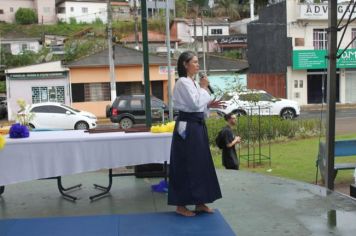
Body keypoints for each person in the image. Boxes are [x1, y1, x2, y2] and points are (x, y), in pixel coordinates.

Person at [168, 51, 224, 217]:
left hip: (197, 125)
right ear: (185, 64)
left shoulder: (192, 83)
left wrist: (208, 104)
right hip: (187, 127)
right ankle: (181, 204)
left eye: (198, 62)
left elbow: (199, 106)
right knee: (185, 164)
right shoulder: (183, 82)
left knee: (200, 163)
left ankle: (200, 202)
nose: (198, 65)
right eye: (194, 62)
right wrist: (204, 88)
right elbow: (193, 104)